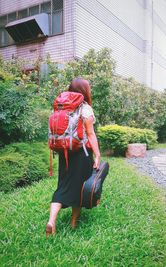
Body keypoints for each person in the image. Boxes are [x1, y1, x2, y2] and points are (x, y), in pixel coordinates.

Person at [46, 78, 101, 236]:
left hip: (64, 152)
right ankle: (73, 223)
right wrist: (97, 155)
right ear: (85, 90)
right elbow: (90, 134)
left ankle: (51, 221)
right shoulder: (85, 108)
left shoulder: (60, 106)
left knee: (63, 185)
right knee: (80, 187)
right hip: (81, 153)